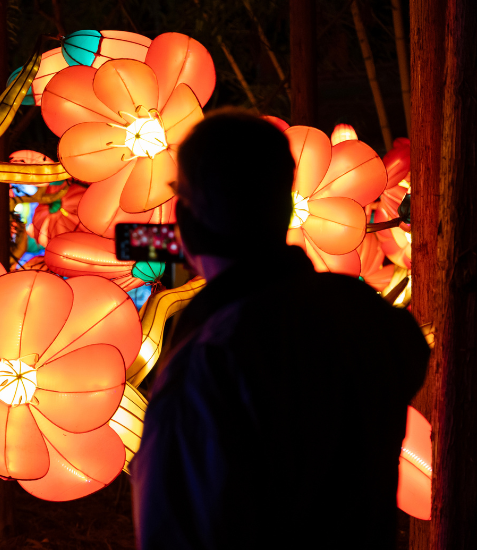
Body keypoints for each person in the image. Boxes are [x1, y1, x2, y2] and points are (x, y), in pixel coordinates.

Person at [130, 111, 429, 550]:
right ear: (287, 203)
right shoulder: (371, 321)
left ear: (187, 219)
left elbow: (174, 522)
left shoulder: (212, 357)